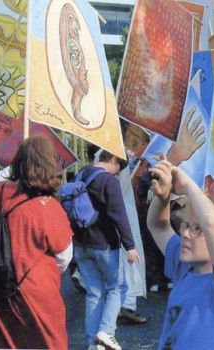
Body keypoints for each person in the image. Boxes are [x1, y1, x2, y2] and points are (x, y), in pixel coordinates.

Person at [147, 158, 214, 350]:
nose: (186, 233)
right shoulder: (186, 266)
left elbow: (213, 224)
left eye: (197, 229)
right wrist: (163, 197)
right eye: (187, 225)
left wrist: (190, 187)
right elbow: (158, 225)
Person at [0, 135, 73, 349]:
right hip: (36, 292)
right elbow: (64, 258)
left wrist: (22, 157)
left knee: (8, 344)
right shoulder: (49, 207)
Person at [73, 147, 141, 350]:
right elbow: (118, 215)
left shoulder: (80, 175)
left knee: (94, 293)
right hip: (104, 245)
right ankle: (107, 331)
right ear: (112, 159)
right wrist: (130, 246)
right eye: (118, 167)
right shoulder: (108, 181)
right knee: (118, 288)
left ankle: (93, 344)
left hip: (81, 244)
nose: (117, 172)